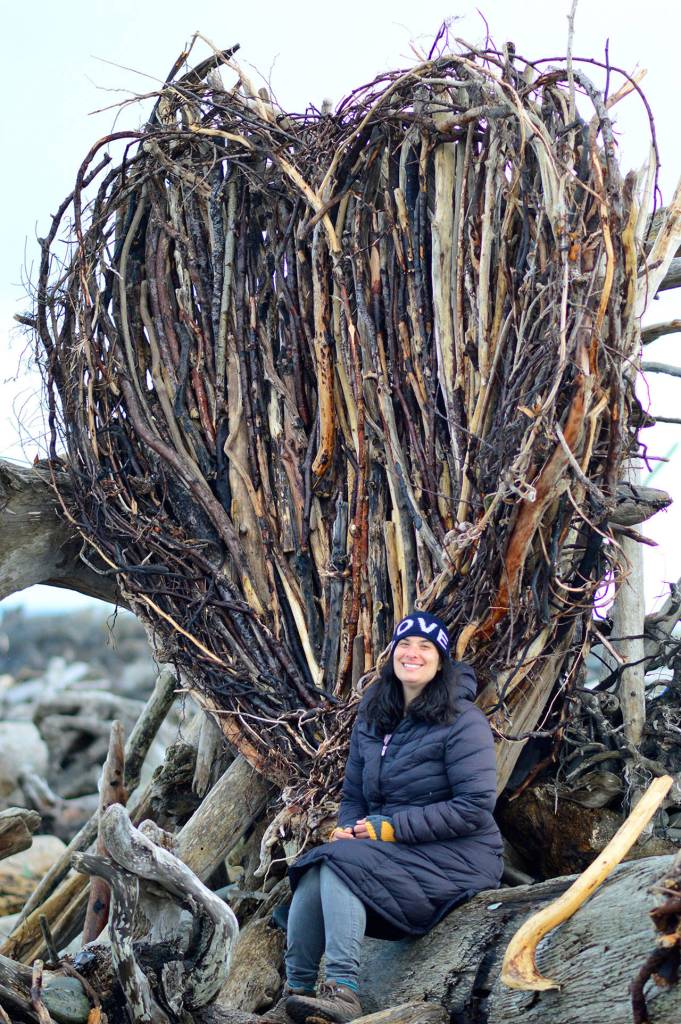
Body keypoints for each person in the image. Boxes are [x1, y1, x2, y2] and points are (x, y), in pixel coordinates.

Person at [268, 611, 504, 1024]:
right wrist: (349, 828)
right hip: (395, 853)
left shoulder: (463, 720)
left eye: (426, 647)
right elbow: (355, 794)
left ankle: (342, 991)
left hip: (459, 857)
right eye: (405, 644)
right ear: (393, 652)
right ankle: (297, 993)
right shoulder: (375, 717)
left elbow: (474, 806)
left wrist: (391, 829)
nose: (413, 653)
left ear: (441, 660)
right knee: (317, 864)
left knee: (339, 866)